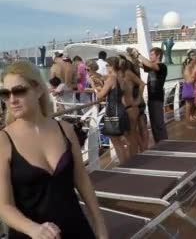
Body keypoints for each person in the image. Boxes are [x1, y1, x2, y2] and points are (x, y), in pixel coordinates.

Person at [0, 61, 108, 238]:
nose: (12, 99)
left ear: (39, 90)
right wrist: (33, 229)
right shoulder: (4, 141)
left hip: (76, 228)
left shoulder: (65, 130)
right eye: (5, 93)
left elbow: (82, 181)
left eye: (19, 90)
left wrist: (99, 224)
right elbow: (3, 206)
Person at [95, 57, 134, 163]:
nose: (106, 67)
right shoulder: (120, 77)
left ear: (111, 66)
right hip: (121, 109)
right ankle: (128, 162)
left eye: (107, 65)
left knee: (117, 143)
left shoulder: (111, 78)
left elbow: (100, 96)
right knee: (123, 140)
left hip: (113, 111)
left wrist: (95, 88)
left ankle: (124, 165)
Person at [129, 47, 168, 143]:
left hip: (157, 98)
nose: (150, 56)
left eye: (152, 55)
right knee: (154, 123)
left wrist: (138, 54)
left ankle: (164, 143)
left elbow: (150, 64)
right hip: (152, 98)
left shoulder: (162, 66)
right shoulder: (151, 67)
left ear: (158, 55)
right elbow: (141, 65)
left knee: (158, 123)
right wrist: (133, 58)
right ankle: (159, 143)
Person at [182, 50, 196, 122]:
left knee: (192, 103)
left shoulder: (190, 67)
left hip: (190, 86)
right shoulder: (188, 67)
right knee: (188, 104)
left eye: (194, 55)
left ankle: (191, 116)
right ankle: (188, 118)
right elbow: (190, 79)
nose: (194, 57)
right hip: (189, 86)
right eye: (192, 55)